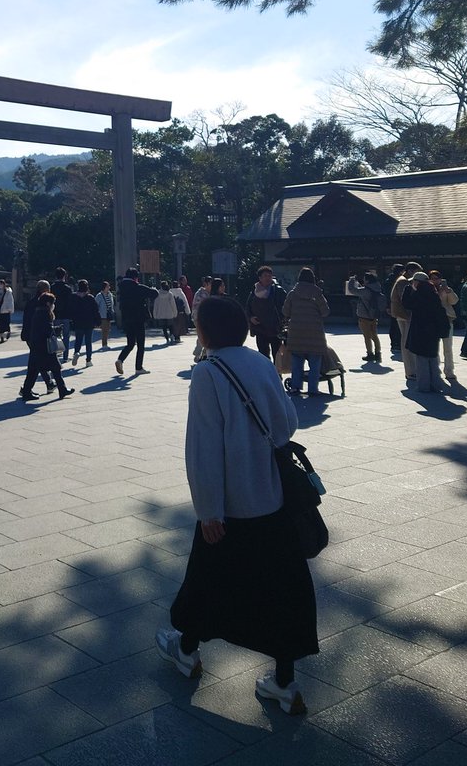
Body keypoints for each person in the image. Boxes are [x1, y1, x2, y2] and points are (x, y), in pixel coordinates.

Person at [156, 295, 317, 713]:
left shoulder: (207, 372)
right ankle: (283, 680)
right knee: (280, 589)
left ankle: (186, 650)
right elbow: (287, 425)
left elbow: (203, 447)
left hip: (230, 503)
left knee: (207, 581)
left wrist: (208, 509)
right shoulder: (260, 362)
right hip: (272, 498)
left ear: (206, 331)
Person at [282, 269, 330, 396]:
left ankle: (295, 387)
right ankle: (313, 389)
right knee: (315, 364)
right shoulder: (317, 294)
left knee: (297, 363)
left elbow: (285, 311)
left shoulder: (292, 294)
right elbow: (325, 312)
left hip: (296, 333)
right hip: (315, 334)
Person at [19, 292, 75, 400]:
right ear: (48, 303)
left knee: (33, 370)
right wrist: (56, 330)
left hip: (37, 346)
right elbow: (46, 330)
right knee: (55, 368)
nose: (54, 306)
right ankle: (62, 389)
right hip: (44, 347)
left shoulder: (38, 312)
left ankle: (26, 391)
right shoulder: (44, 314)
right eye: (53, 303)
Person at [402, 272, 450, 392]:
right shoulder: (433, 293)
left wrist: (407, 289)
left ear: (418, 282)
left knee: (422, 359)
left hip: (421, 330)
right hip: (434, 331)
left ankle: (424, 386)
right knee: (433, 358)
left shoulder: (418, 294)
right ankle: (436, 384)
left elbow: (406, 304)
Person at [115, 268, 158, 376]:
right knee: (140, 344)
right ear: (135, 277)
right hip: (138, 318)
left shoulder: (121, 288)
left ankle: (120, 360)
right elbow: (154, 293)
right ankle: (138, 367)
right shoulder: (137, 287)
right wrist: (152, 287)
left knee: (130, 343)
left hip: (126, 319)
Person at [20, 281, 55, 396]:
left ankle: (27, 389)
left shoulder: (31, 301)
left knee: (36, 363)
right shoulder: (40, 302)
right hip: (36, 336)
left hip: (31, 335)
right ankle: (27, 389)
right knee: (36, 363)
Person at [390, 262, 424, 383]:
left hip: (401, 314)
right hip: (405, 315)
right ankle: (411, 371)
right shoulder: (403, 281)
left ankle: (411, 371)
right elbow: (405, 299)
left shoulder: (401, 280)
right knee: (407, 342)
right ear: (410, 271)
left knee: (406, 341)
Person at [245, 267, 286, 362]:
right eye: (265, 276)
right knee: (263, 356)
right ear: (260, 278)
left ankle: (276, 375)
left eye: (269, 276)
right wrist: (251, 318)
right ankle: (267, 374)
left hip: (275, 329)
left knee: (277, 355)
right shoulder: (254, 292)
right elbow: (248, 308)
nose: (268, 278)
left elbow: (286, 307)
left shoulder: (277, 291)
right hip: (260, 329)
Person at [346, 271, 384, 362]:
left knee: (367, 336)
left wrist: (351, 280)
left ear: (367, 280)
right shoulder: (377, 289)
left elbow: (352, 290)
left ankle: (370, 354)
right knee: (375, 335)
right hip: (374, 316)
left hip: (364, 317)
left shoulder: (365, 290)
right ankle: (378, 354)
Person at [428, 270, 458, 381]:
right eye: (432, 278)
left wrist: (448, 291)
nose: (435, 280)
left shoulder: (446, 288)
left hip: (446, 319)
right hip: (433, 320)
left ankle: (449, 370)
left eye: (437, 278)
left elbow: (454, 301)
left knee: (448, 347)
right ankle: (436, 369)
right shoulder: (428, 289)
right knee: (435, 347)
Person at [70, 279, 98, 366]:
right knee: (88, 342)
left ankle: (76, 353)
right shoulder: (90, 298)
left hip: (78, 322)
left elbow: (71, 309)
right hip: (89, 322)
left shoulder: (74, 297)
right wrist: (97, 321)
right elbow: (95, 311)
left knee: (78, 340)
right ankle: (88, 360)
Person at [53, 268, 74, 362]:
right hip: (66, 315)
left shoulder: (52, 287)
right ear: (64, 276)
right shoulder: (68, 288)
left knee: (54, 336)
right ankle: (65, 356)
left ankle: (54, 356)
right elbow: (71, 303)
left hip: (55, 314)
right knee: (66, 336)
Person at [384, 264, 405, 357]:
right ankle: (397, 344)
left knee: (394, 325)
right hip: (395, 304)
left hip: (391, 304)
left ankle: (394, 344)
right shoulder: (399, 280)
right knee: (397, 325)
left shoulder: (388, 280)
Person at [95, 281, 115, 349]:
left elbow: (112, 304)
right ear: (104, 287)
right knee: (104, 330)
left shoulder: (110, 294)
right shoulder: (99, 295)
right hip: (102, 315)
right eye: (107, 286)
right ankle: (104, 344)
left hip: (109, 315)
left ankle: (105, 343)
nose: (109, 288)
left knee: (108, 329)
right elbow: (96, 305)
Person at [169, 279, 189, 344]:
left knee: (173, 324)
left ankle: (172, 334)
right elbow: (185, 301)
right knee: (179, 324)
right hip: (180, 311)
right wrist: (187, 311)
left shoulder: (169, 292)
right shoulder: (180, 292)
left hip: (171, 311)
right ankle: (178, 337)